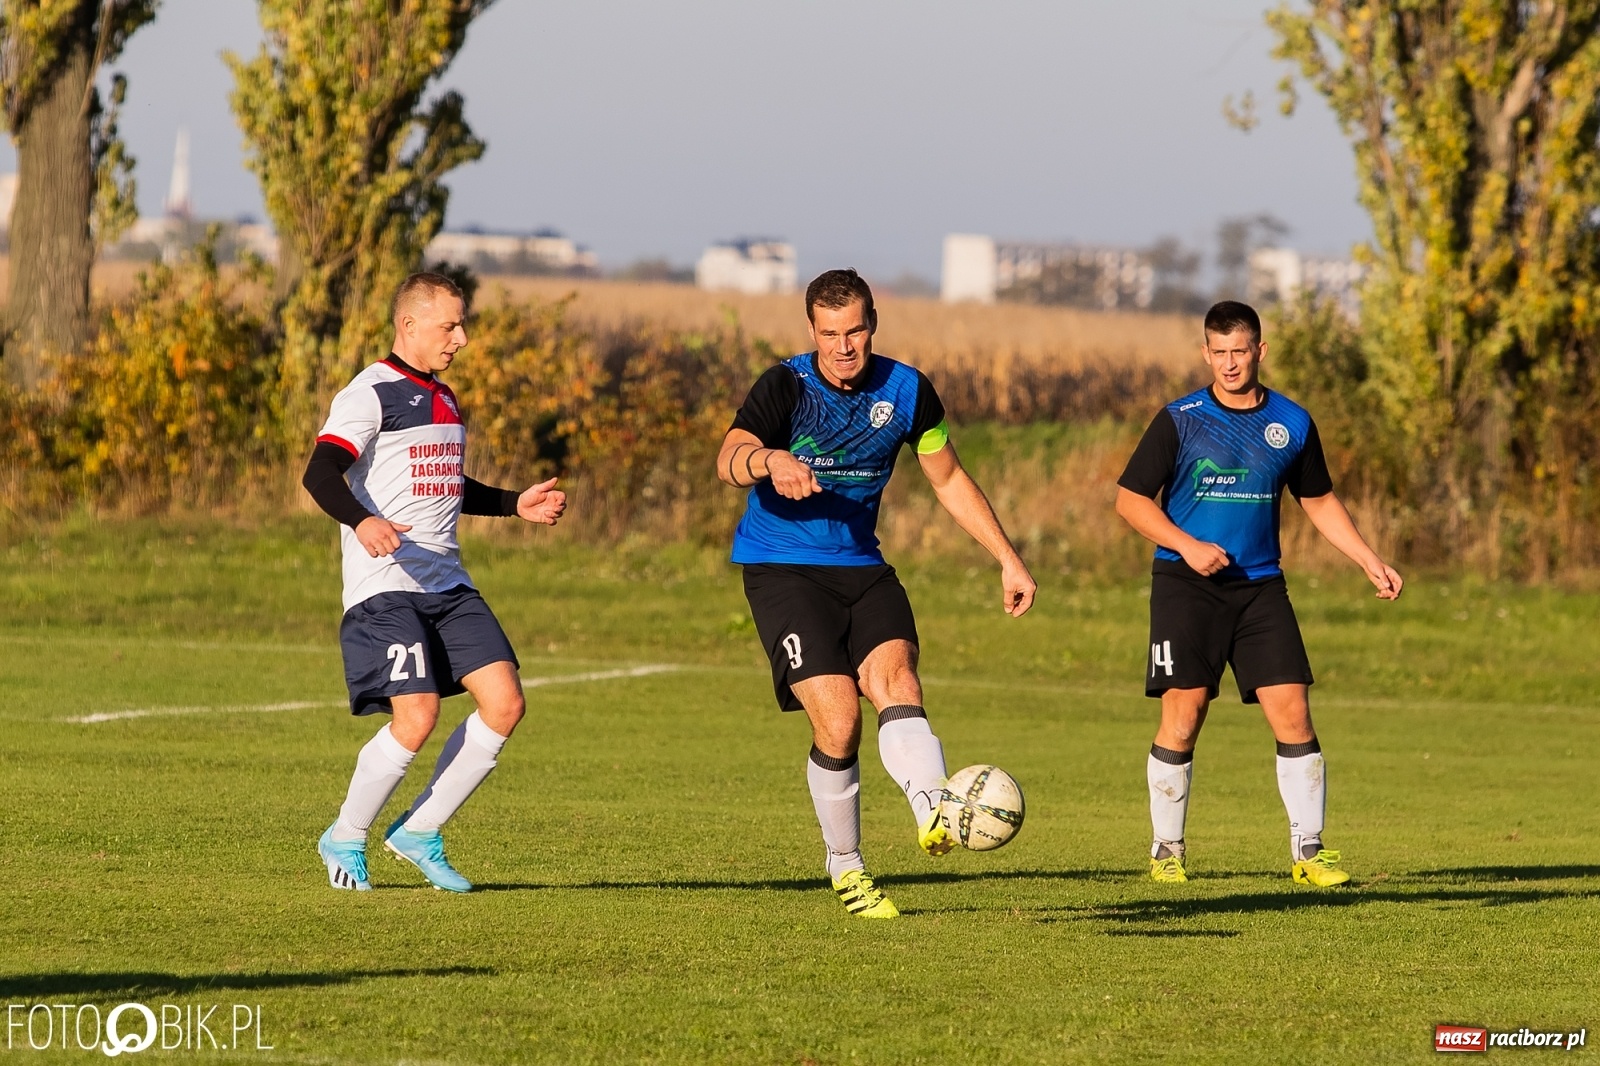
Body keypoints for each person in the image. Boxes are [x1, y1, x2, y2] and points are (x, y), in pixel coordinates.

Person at [717, 268, 1037, 919]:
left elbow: (948, 481)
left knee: (899, 682)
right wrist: (769, 461)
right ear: (813, 331)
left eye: (855, 330)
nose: (843, 345)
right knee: (840, 721)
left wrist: (1007, 558)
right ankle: (847, 865)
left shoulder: (908, 391)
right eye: (830, 333)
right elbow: (729, 455)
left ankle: (933, 813)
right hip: (781, 568)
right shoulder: (787, 384)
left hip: (863, 568)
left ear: (872, 326)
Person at [1114, 300, 1402, 887]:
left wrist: (1368, 557)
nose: (1228, 363)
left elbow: (1318, 499)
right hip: (1186, 585)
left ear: (1260, 351)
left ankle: (1310, 853)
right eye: (1217, 352)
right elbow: (1131, 500)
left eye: (1239, 351)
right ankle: (1167, 851)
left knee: (1293, 709)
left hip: (1260, 588)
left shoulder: (1292, 423)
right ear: (1205, 353)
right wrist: (1187, 544)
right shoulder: (1181, 418)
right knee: (1185, 713)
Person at [302, 271, 567, 893]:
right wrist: (362, 520)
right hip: (385, 586)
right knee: (416, 717)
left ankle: (419, 831)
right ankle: (344, 834)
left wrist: (512, 505)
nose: (462, 338)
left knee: (505, 704)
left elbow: (444, 483)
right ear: (409, 324)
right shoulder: (371, 393)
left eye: (462, 323)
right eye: (450, 325)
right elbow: (319, 473)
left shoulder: (443, 397)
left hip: (447, 584)